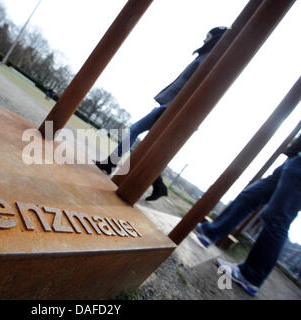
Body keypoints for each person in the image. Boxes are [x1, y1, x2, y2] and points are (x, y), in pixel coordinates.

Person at [95, 27, 228, 201]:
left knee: (135, 130)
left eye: (207, 37)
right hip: (170, 105)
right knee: (148, 143)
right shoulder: (206, 57)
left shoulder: (209, 59)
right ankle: (158, 186)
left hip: (173, 107)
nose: (204, 40)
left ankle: (110, 163)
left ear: (215, 39)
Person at [195, 135, 301, 297]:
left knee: (277, 217)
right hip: (295, 159)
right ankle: (210, 232)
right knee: (251, 195)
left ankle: (251, 275)